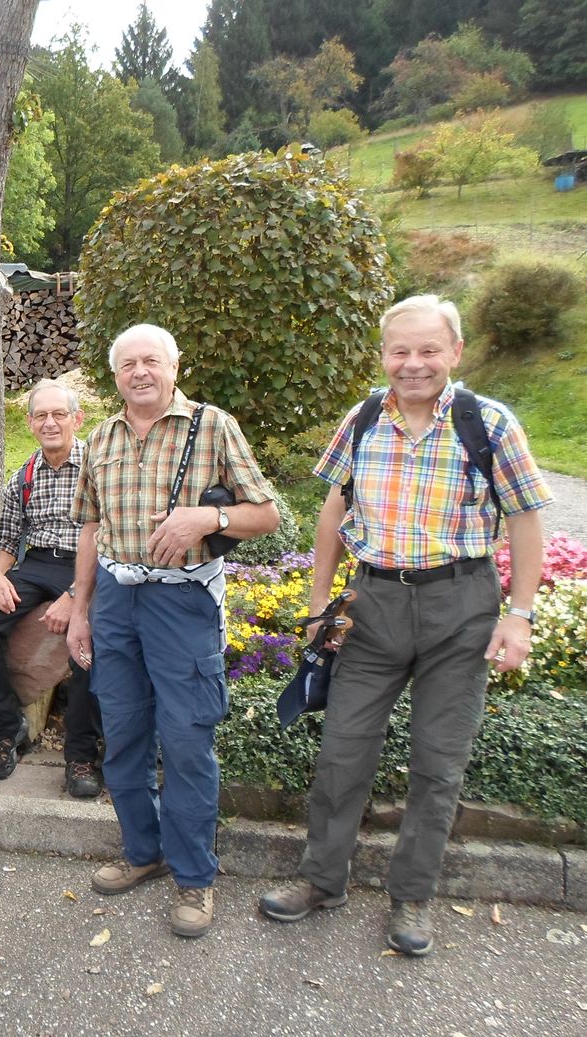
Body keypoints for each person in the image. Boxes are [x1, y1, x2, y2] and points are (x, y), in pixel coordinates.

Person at [259, 295, 552, 956]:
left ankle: (412, 894)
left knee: (437, 764)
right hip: (373, 605)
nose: (413, 363)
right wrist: (318, 603)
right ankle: (320, 877)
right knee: (342, 751)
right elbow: (334, 509)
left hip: (462, 605)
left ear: (455, 352)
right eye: (401, 350)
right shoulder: (364, 417)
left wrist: (520, 615)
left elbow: (528, 518)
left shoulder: (489, 423)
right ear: (384, 354)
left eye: (428, 350)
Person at [66, 324, 279, 938]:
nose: (140, 372)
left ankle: (193, 875)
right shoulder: (101, 438)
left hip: (182, 604)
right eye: (128, 363)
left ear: (173, 364)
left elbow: (266, 513)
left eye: (151, 361)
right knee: (125, 732)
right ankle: (143, 852)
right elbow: (89, 528)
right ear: (115, 375)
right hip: (114, 600)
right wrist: (81, 609)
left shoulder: (212, 426)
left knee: (186, 742)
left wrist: (205, 518)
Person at [0, 379, 103, 794]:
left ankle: (80, 757)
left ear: (77, 419)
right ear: (29, 422)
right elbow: (7, 540)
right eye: (41, 415)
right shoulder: (22, 475)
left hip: (88, 569)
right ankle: (8, 730)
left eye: (59, 414)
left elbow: (108, 541)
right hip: (37, 564)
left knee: (85, 646)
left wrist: (75, 596)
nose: (50, 423)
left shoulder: (98, 469)